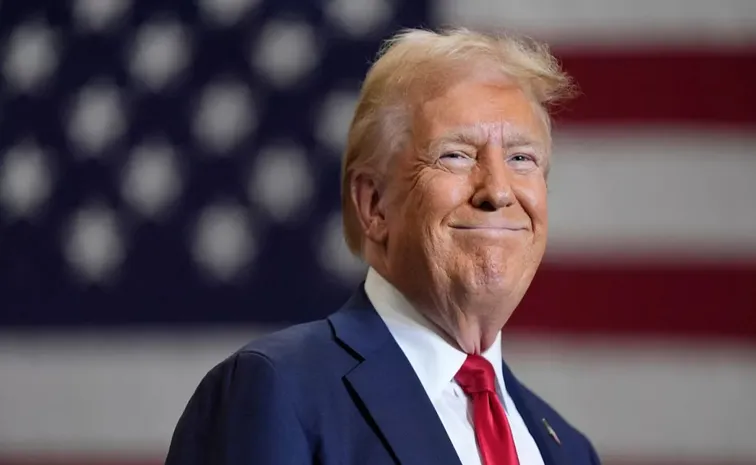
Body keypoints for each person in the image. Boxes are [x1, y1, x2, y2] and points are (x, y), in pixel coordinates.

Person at [165, 27, 601, 465]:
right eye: (456, 154)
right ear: (374, 205)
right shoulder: (276, 390)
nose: (498, 191)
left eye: (521, 158)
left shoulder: (570, 450)